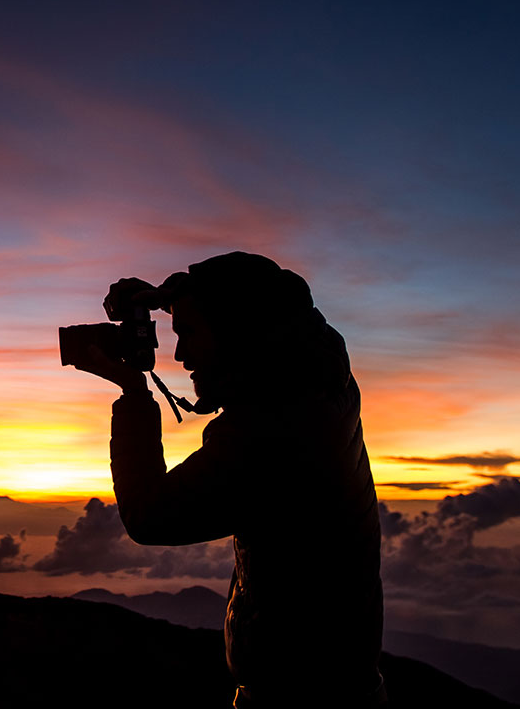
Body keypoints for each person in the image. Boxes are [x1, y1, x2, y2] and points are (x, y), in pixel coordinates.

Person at [75, 252, 386, 708]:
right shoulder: (318, 379)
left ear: (240, 337)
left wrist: (134, 394)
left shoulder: (271, 433)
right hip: (344, 690)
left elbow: (150, 516)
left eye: (191, 335)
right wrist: (170, 297)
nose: (179, 354)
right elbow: (261, 298)